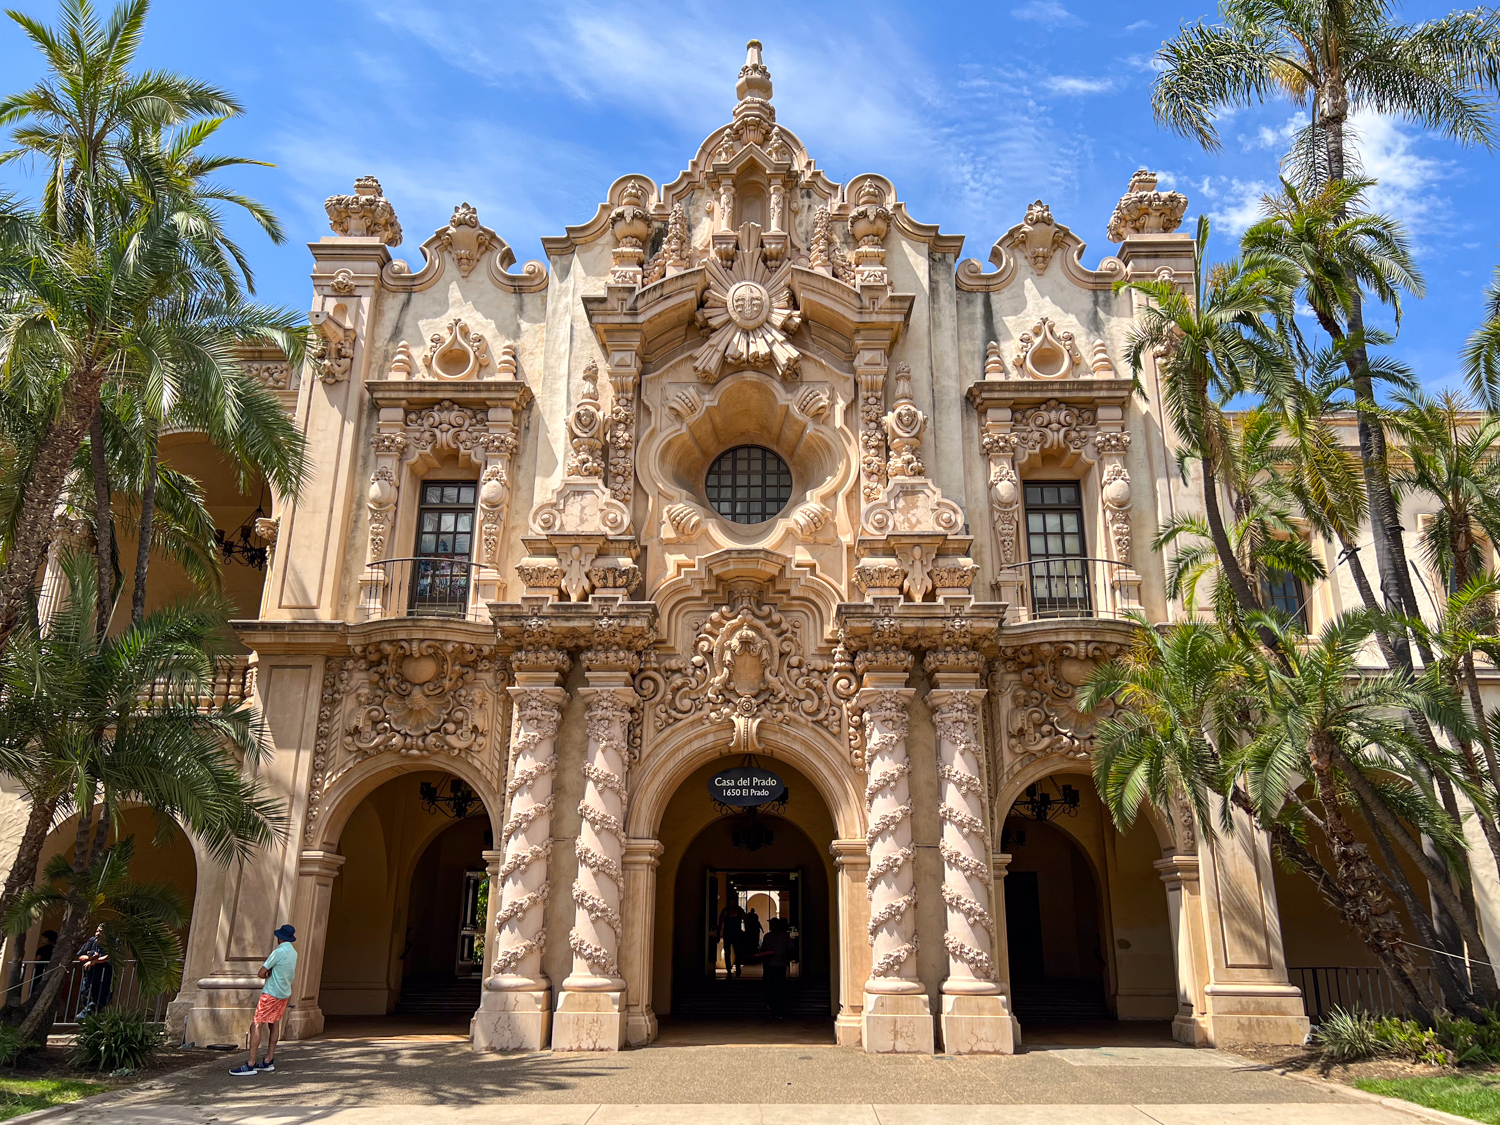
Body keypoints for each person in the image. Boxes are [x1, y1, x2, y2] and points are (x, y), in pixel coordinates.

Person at [231, 924, 297, 1076]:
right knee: (274, 1024)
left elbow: (261, 973)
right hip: (284, 992)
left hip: (271, 992)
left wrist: (268, 974)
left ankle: (251, 1063)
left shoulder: (278, 952)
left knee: (256, 1024)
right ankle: (269, 1059)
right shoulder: (293, 953)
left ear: (280, 937)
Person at [758, 917, 794, 1019]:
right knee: (773, 988)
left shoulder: (778, 937)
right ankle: (774, 1009)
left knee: (776, 988)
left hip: (776, 966)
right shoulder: (770, 937)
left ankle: (777, 1010)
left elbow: (790, 949)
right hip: (774, 966)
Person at [75, 925, 112, 1018]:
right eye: (97, 931)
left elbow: (110, 956)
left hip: (104, 975)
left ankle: (82, 1017)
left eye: (101, 932)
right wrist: (90, 958)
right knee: (85, 996)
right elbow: (80, 956)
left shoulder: (113, 942)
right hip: (89, 975)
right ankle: (87, 1018)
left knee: (101, 998)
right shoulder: (92, 941)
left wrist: (94, 961)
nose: (98, 934)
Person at [715, 901, 745, 977]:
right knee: (728, 952)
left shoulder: (738, 910)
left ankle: (737, 967)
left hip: (735, 935)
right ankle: (729, 969)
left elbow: (745, 920)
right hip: (728, 935)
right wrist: (718, 934)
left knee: (737, 952)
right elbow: (720, 923)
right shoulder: (727, 911)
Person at [741, 908, 763, 973]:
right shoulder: (753, 917)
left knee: (753, 944)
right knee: (753, 944)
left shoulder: (750, 916)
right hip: (752, 932)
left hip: (752, 932)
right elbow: (757, 923)